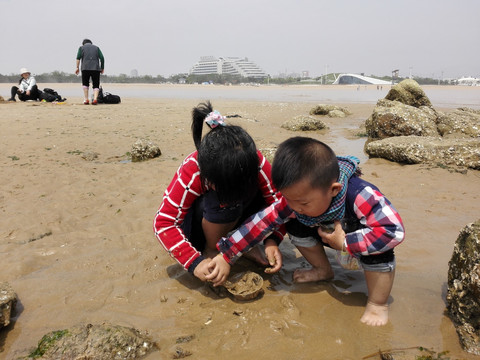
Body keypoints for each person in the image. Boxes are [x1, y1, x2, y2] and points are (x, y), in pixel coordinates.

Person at [208, 137, 405, 326]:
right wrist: (227, 254)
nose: (294, 206)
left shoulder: (361, 195)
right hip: (327, 233)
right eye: (288, 199)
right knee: (294, 223)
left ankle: (377, 303)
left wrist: (346, 243)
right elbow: (260, 223)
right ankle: (322, 269)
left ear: (334, 190)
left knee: (381, 253)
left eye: (302, 202)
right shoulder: (295, 201)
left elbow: (392, 230)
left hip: (361, 236)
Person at [153, 101, 285, 283]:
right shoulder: (193, 169)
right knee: (226, 202)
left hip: (238, 217)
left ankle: (245, 243)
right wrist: (195, 262)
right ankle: (213, 249)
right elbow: (163, 223)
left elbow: (282, 203)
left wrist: (272, 240)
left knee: (262, 197)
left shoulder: (255, 162)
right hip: (200, 228)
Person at [75, 39, 104, 105]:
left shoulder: (81, 48)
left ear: (83, 43)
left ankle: (86, 99)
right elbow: (102, 58)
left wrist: (77, 67)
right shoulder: (96, 48)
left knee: (85, 83)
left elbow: (78, 58)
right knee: (96, 84)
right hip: (96, 69)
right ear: (91, 43)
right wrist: (102, 68)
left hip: (85, 68)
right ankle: (95, 99)